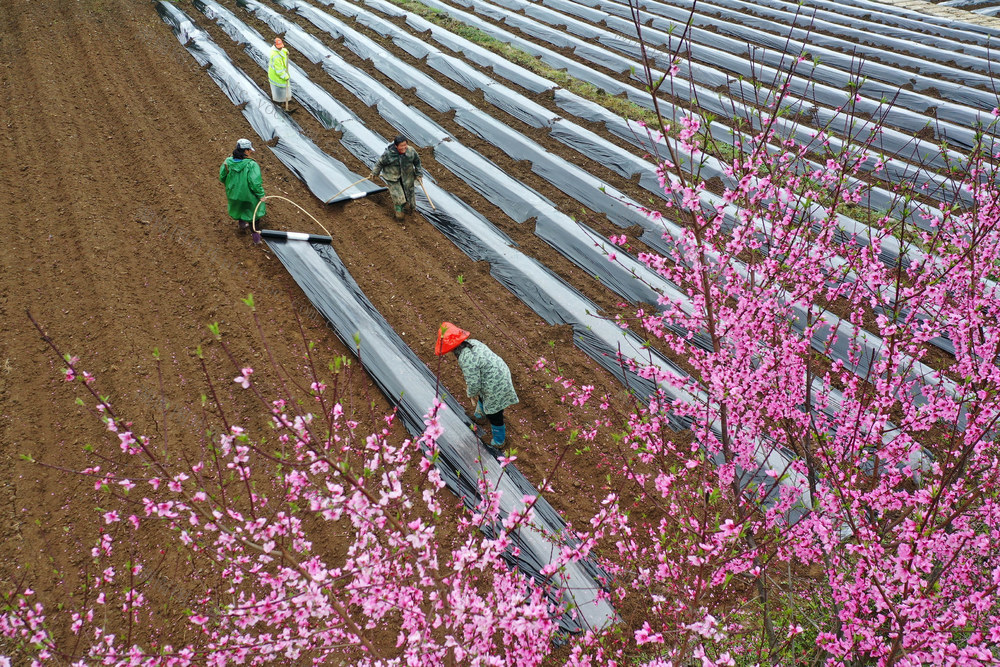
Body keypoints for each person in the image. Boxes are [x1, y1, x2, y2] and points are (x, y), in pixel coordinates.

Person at [435, 322, 519, 447]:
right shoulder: (473, 342)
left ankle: (499, 441)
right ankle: (480, 416)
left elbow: (474, 383)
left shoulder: (465, 358)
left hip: (495, 383)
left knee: (494, 413)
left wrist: (470, 393)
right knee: (484, 395)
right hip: (500, 372)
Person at [218, 138, 265, 244]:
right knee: (254, 215)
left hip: (233, 194)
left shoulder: (227, 162)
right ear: (245, 151)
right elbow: (255, 183)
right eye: (249, 150)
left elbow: (222, 177)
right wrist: (261, 195)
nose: (251, 152)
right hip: (248, 196)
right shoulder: (251, 165)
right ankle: (256, 240)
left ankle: (242, 224)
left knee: (240, 207)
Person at [370, 135, 422, 221]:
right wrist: (375, 173)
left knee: (409, 194)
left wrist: (419, 174)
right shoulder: (389, 154)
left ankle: (409, 209)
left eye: (405, 145)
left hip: (407, 176)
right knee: (399, 198)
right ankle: (399, 215)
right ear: (396, 146)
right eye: (401, 146)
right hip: (393, 177)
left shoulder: (411, 151)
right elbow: (380, 163)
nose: (404, 147)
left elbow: (417, 162)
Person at [267, 37, 291, 110]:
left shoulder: (278, 50)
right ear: (275, 45)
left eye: (281, 47)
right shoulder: (275, 56)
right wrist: (285, 76)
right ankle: (279, 103)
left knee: (283, 88)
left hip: (277, 74)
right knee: (280, 89)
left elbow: (282, 50)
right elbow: (279, 71)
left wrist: (285, 51)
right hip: (276, 76)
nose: (280, 49)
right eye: (279, 47)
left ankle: (282, 101)